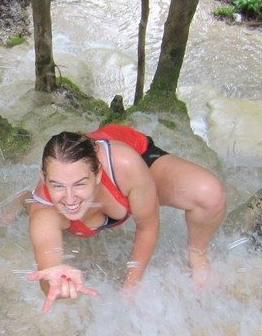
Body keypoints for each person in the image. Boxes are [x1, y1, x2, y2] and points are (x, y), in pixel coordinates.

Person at [23, 125, 226, 312]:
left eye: (80, 184)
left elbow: (147, 226)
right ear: (44, 179)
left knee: (210, 195)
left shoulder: (125, 165)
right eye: (57, 185)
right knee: (41, 205)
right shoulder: (45, 213)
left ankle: (197, 253)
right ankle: (23, 198)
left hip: (132, 156)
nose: (69, 198)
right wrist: (56, 281)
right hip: (82, 170)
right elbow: (48, 275)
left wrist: (130, 287)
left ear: (98, 175)